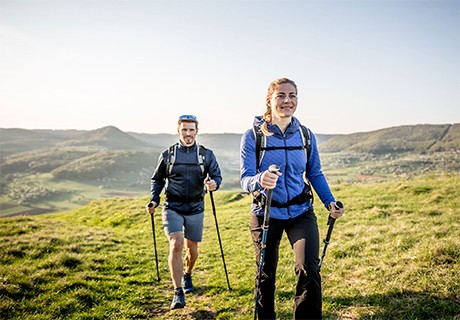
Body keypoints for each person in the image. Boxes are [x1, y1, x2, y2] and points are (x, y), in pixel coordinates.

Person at [240, 77, 344, 319]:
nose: (288, 101)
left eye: (293, 95)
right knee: (265, 273)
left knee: (309, 269)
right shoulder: (253, 136)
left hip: (300, 212)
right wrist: (260, 179)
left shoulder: (306, 135)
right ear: (269, 100)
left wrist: (330, 202)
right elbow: (245, 179)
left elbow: (315, 173)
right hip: (265, 212)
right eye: (281, 96)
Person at [146, 114, 222, 310]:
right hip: (172, 206)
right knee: (176, 243)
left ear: (197, 131)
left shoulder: (206, 154)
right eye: (184, 130)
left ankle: (188, 274)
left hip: (196, 207)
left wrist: (214, 183)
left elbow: (216, 175)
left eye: (191, 130)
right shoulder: (168, 155)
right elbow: (158, 179)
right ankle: (177, 291)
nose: (188, 134)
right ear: (178, 131)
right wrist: (154, 199)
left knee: (192, 250)